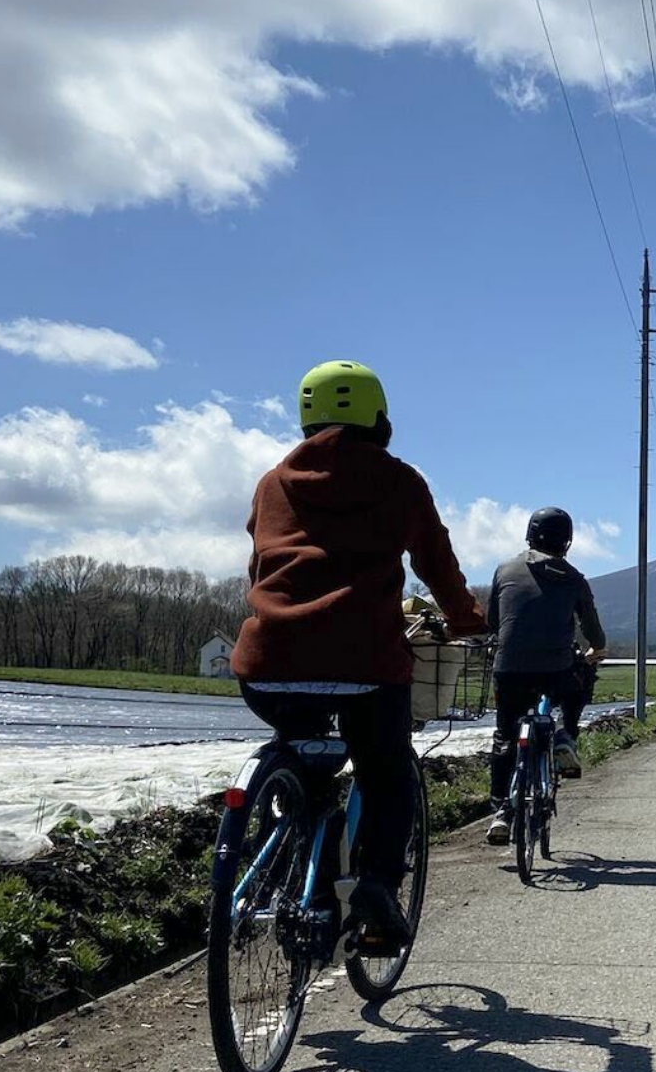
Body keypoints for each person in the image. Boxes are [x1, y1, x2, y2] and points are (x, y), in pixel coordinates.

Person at [232, 359, 485, 950]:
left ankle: (298, 879)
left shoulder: (273, 483)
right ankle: (376, 886)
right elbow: (435, 564)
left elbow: (261, 564)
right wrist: (466, 619)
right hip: (366, 666)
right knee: (387, 768)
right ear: (379, 418)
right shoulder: (399, 482)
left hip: (269, 665)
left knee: (302, 768)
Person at [485, 506, 607, 845]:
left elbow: (493, 622)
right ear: (566, 542)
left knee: (505, 736)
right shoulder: (574, 578)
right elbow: (595, 636)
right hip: (556, 670)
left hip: (508, 669)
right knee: (578, 681)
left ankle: (500, 811)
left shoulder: (504, 569)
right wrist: (593, 649)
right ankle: (567, 736)